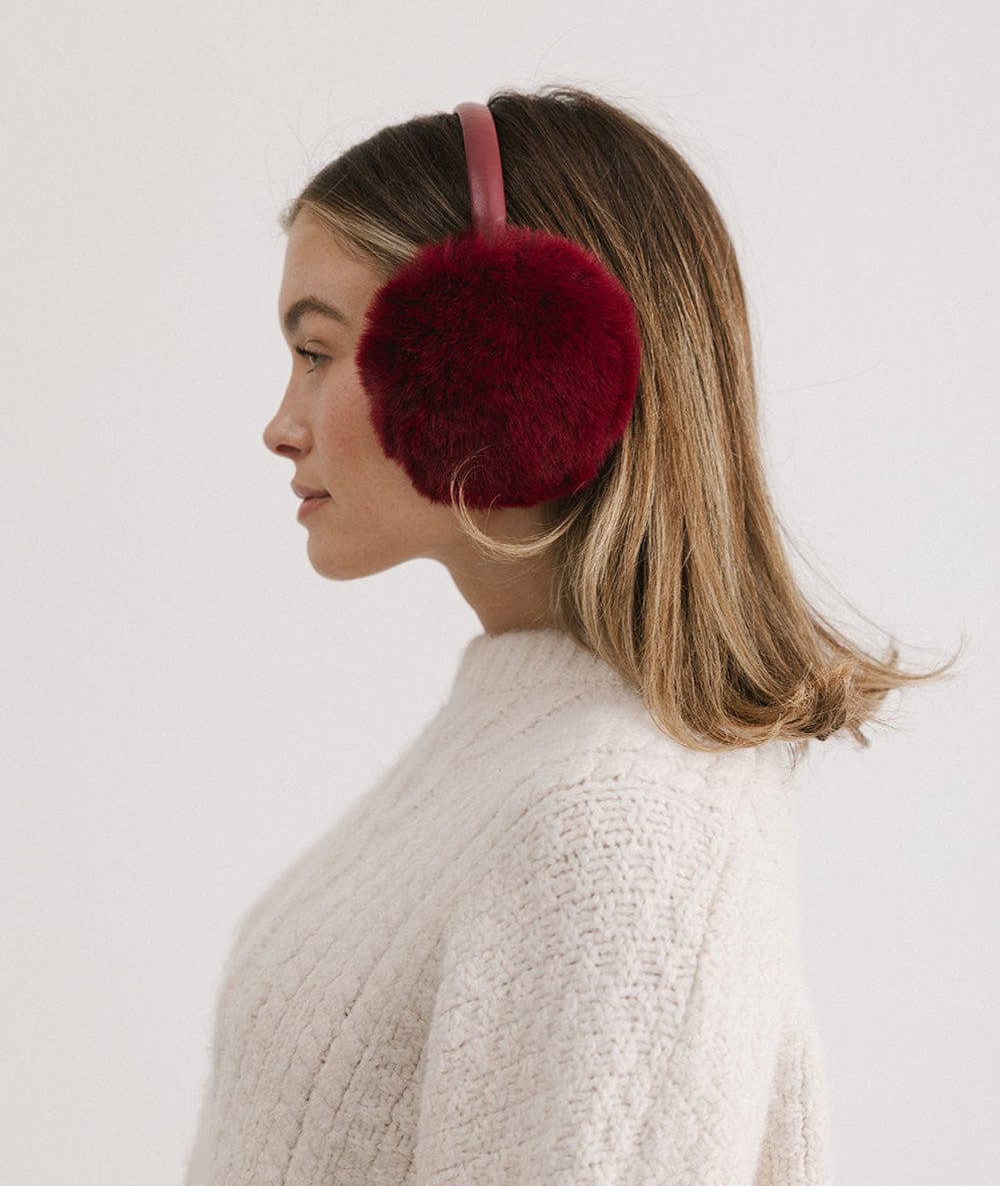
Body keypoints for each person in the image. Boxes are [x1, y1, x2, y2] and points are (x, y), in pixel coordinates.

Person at [184, 86, 960, 1186]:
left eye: (317, 350)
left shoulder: (621, 826)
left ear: (507, 356)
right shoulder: (522, 750)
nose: (281, 424)